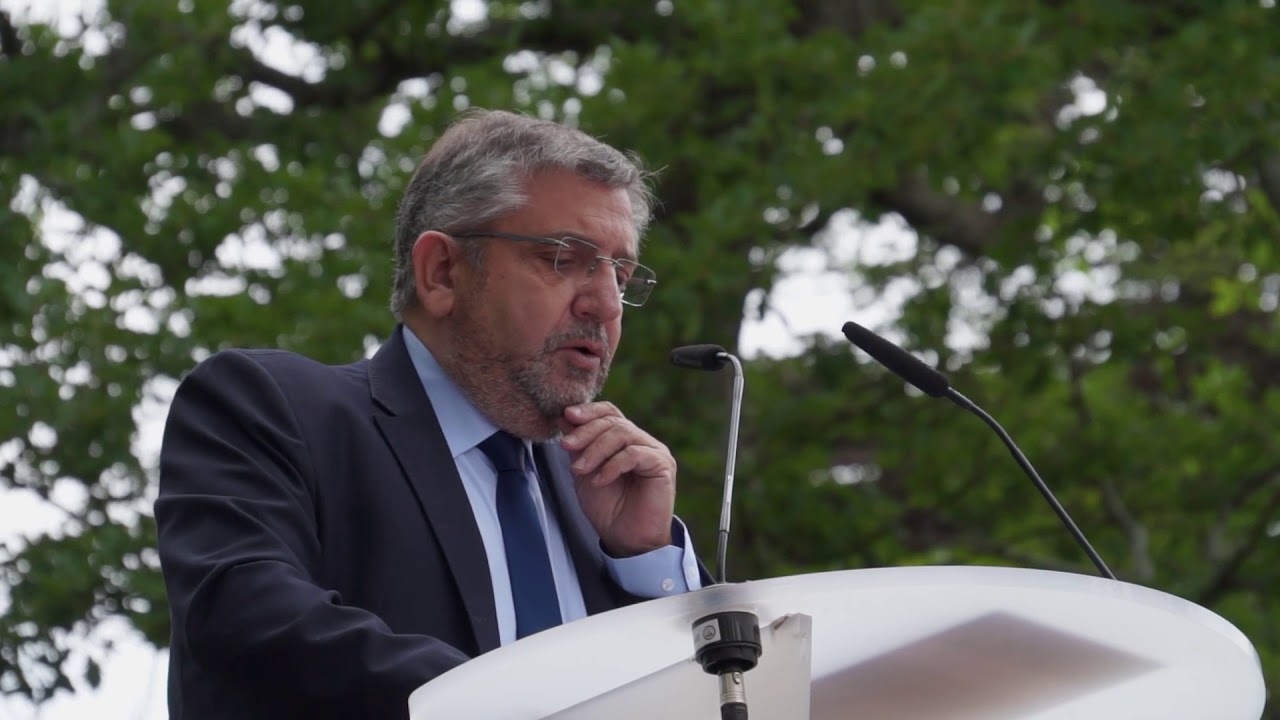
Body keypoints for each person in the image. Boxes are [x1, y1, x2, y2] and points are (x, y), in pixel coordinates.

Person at [155, 109, 707, 720]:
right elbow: (247, 621)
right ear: (442, 272)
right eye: (562, 259)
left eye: (620, 273)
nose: (605, 303)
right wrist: (529, 705)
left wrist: (646, 559)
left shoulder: (604, 499)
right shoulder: (272, 409)